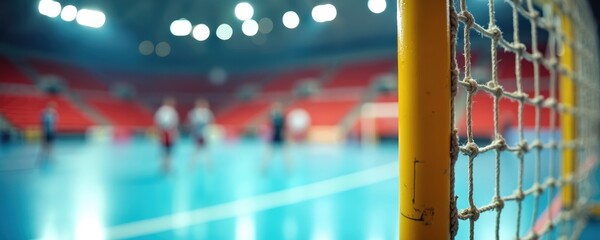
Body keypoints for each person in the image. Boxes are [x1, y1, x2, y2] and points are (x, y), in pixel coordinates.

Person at [261, 102, 291, 173]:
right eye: (276, 108)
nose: (277, 109)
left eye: (278, 108)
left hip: (281, 138)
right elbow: (268, 128)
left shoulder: (284, 117)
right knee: (268, 155)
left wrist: (288, 139)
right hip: (272, 139)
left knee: (286, 155)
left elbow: (286, 128)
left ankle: (289, 169)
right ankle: (263, 169)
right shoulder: (271, 117)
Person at [187, 98, 213, 169]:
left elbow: (210, 122)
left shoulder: (207, 113)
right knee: (196, 150)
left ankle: (208, 165)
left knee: (206, 150)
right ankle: (192, 164)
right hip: (197, 135)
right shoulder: (194, 113)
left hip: (205, 134)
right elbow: (191, 124)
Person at [155, 97, 179, 173]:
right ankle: (168, 166)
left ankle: (164, 165)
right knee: (169, 151)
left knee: (164, 150)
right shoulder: (172, 111)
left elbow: (157, 122)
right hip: (169, 133)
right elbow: (174, 123)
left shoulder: (160, 111)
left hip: (163, 133)